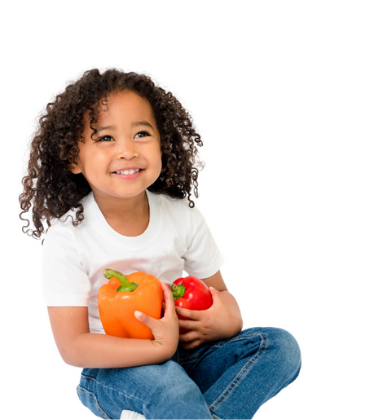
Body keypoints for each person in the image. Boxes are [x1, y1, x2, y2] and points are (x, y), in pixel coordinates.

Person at [20, 68, 301, 419]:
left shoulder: (181, 215)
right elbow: (73, 346)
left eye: (141, 133)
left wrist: (224, 322)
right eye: (106, 138)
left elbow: (224, 299)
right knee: (173, 389)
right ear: (73, 158)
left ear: (162, 143)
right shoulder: (68, 238)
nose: (126, 150)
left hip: (187, 356)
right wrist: (159, 347)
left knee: (280, 348)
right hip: (114, 369)